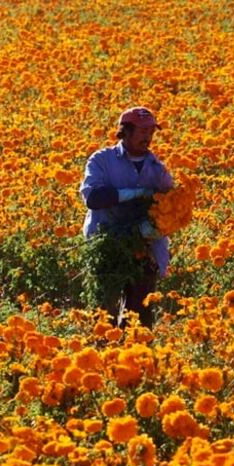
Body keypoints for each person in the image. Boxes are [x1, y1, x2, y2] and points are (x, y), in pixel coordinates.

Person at [80, 106, 174, 328]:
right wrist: (133, 194)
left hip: (143, 250)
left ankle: (135, 358)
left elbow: (173, 209)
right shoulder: (102, 160)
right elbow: (93, 197)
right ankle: (101, 357)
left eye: (151, 132)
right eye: (142, 131)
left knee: (139, 320)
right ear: (126, 131)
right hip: (106, 244)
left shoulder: (158, 170)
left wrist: (157, 229)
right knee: (103, 315)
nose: (148, 137)